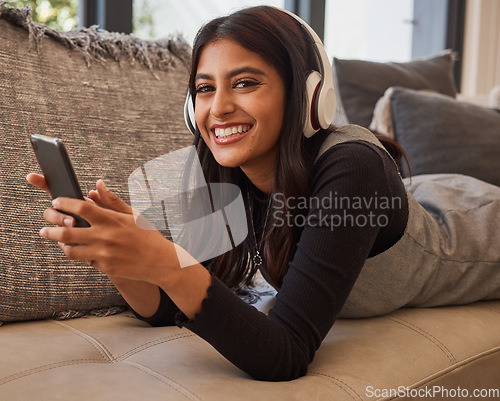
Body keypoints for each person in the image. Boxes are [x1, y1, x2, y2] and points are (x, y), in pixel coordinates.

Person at [27, 6, 500, 382]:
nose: (219, 108)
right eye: (204, 89)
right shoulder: (220, 173)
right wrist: (121, 258)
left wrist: (163, 258)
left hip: (475, 225)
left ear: (307, 95)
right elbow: (176, 306)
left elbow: (285, 354)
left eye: (246, 83)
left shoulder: (352, 166)